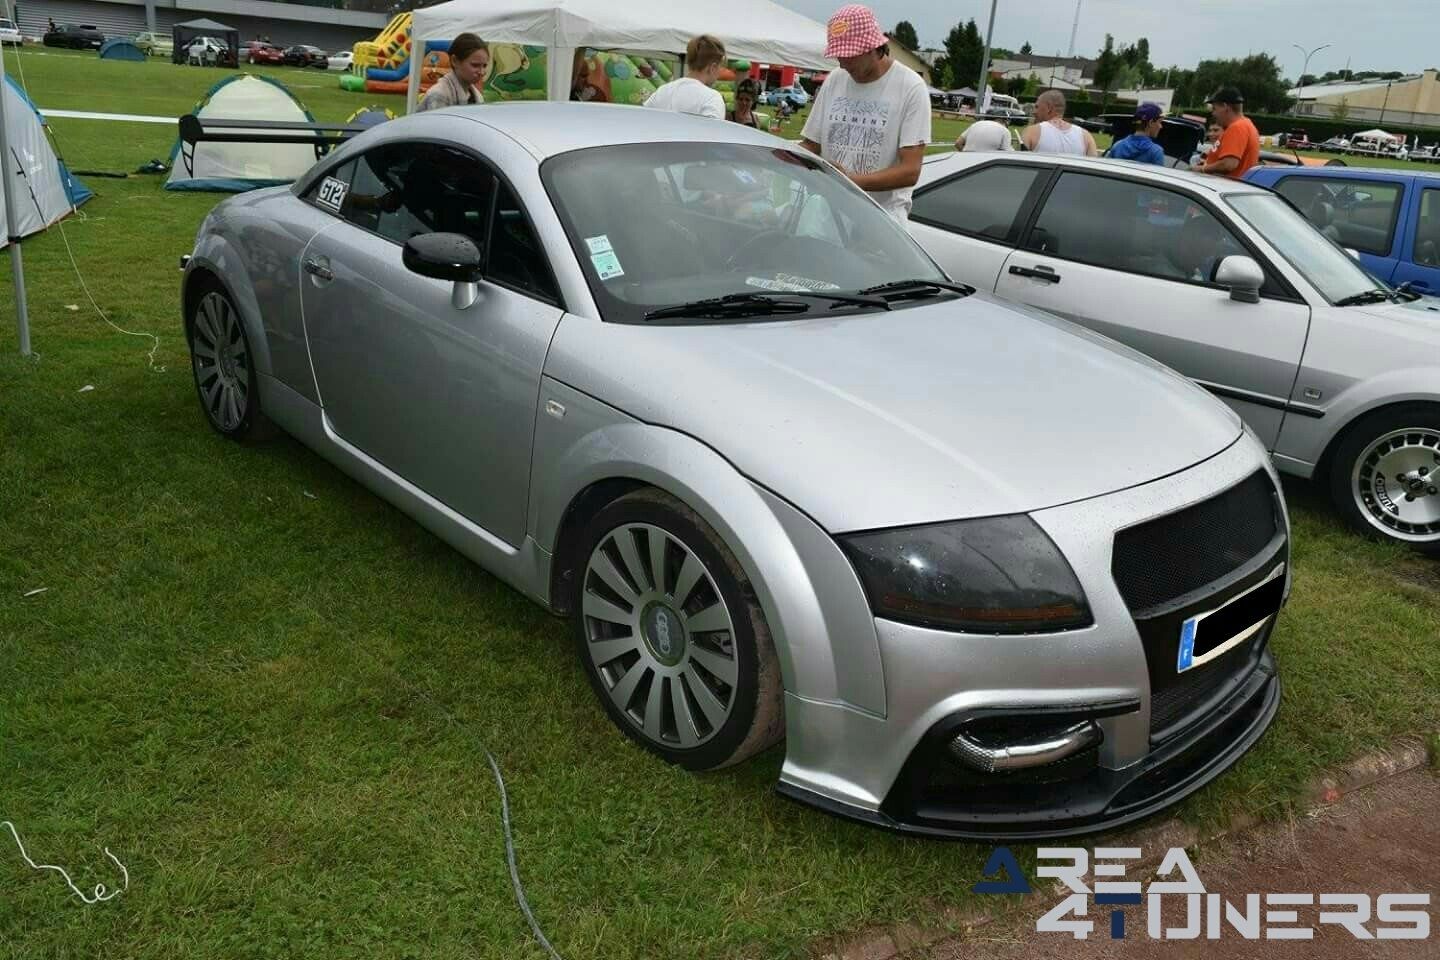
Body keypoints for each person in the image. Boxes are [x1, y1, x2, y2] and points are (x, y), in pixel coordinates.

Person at [800, 4, 931, 221]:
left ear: (872, 47)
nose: (842, 64)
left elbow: (910, 171)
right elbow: (812, 145)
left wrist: (849, 181)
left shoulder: (910, 87)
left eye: (849, 55)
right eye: (838, 56)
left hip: (880, 220)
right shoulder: (835, 80)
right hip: (827, 213)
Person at [645, 35, 726, 120]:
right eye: (720, 67)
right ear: (712, 68)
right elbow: (712, 132)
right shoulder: (712, 98)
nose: (719, 73)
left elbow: (644, 122)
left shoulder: (663, 91)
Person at [1193, 87, 1259, 179]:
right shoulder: (1246, 124)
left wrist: (1201, 169)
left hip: (1224, 187)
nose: (1213, 113)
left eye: (1214, 109)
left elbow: (1229, 164)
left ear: (1225, 106)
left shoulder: (1237, 127)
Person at [417, 33, 488, 112]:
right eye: (475, 65)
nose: (482, 72)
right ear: (455, 61)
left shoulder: (476, 96)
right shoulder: (439, 95)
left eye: (484, 66)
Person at [1021, 90, 1098, 156]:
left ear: (1049, 108)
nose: (1034, 112)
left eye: (1037, 107)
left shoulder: (1031, 132)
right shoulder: (1086, 137)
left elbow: (1020, 166)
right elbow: (1094, 167)